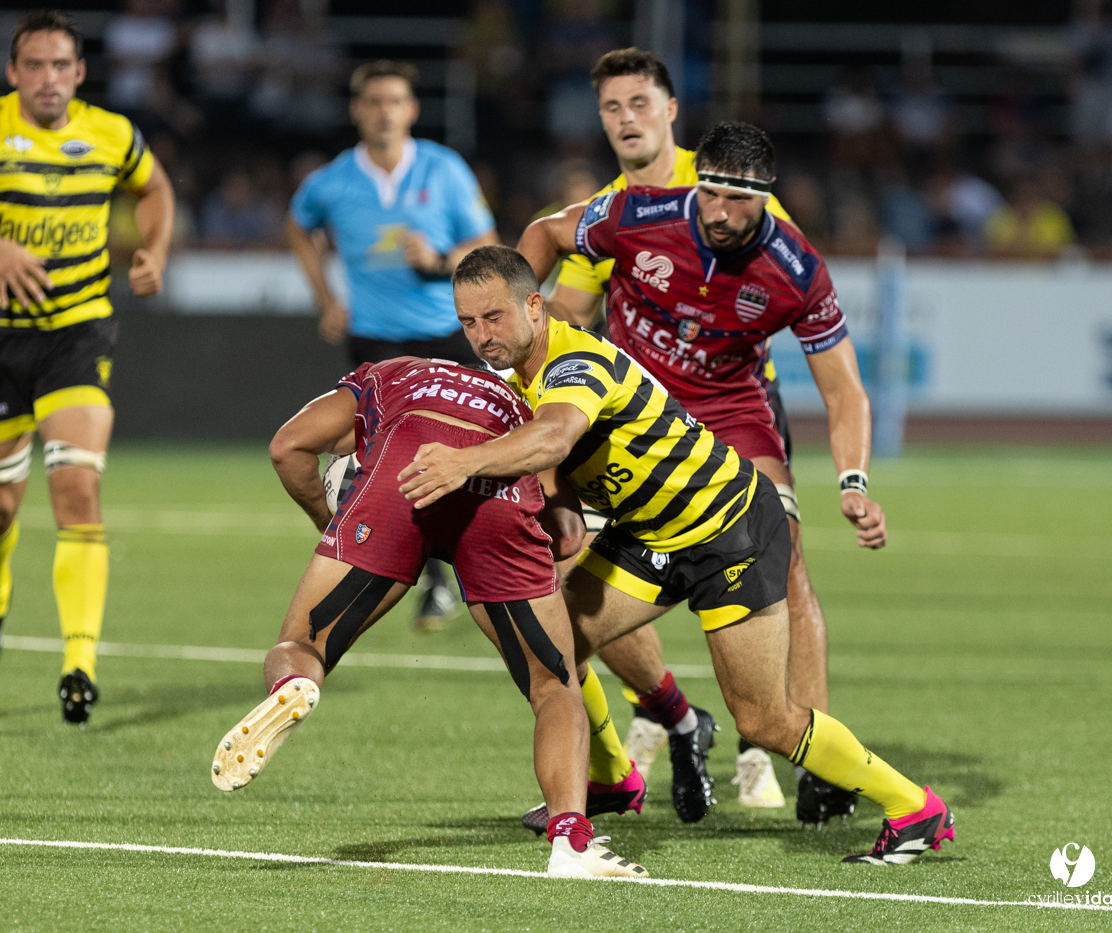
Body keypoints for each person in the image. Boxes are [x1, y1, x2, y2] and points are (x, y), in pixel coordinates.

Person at [401, 245, 955, 866]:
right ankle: (612, 781)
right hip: (651, 535)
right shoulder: (521, 373)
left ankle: (915, 808)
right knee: (551, 648)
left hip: (730, 530)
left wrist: (462, 464)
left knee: (764, 720)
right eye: (469, 322)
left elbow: (554, 434)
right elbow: (555, 458)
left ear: (535, 304)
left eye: (494, 318)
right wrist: (554, 503)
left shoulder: (575, 359)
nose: (482, 336)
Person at [211, 355, 646, 880]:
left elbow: (287, 447)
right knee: (554, 687)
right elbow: (570, 535)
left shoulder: (387, 374)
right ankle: (570, 844)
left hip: (396, 485)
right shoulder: (528, 403)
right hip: (497, 498)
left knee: (303, 644)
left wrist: (332, 523)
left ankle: (297, 683)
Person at [0, 10, 175, 725]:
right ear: (14, 73)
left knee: (77, 488)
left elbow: (157, 189)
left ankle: (79, 663)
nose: (48, 79)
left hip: (76, 332)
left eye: (61, 66)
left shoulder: (111, 133)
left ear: (79, 74)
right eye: (35, 66)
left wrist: (154, 250)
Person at [543, 47, 799, 822]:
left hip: (735, 409)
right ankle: (668, 710)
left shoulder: (723, 178)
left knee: (788, 575)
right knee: (574, 572)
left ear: (670, 108)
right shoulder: (610, 210)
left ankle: (778, 750)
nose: (626, 119)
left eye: (638, 104)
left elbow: (785, 278)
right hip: (639, 424)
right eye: (611, 108)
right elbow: (564, 313)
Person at [287, 59, 498, 631]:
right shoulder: (331, 181)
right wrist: (324, 297)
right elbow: (296, 225)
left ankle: (475, 563)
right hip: (375, 340)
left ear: (412, 109)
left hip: (445, 333)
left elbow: (485, 244)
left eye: (395, 101)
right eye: (374, 101)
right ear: (357, 110)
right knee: (387, 460)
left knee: (462, 454)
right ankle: (429, 579)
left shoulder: (443, 169)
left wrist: (437, 262)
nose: (385, 111)